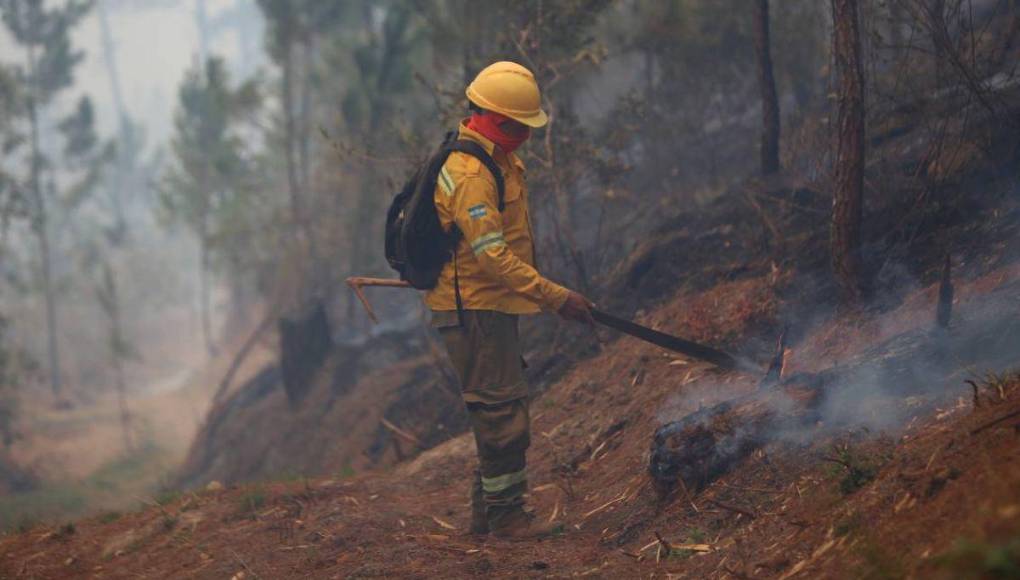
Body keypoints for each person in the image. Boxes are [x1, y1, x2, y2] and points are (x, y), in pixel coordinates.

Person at [425, 61, 595, 540]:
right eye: (518, 126)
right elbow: (493, 257)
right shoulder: (473, 174)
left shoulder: (493, 158)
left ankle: (489, 514)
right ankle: (506, 518)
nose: (525, 135)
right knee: (501, 411)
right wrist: (556, 297)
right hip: (475, 310)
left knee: (498, 403)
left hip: (487, 307)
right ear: (494, 119)